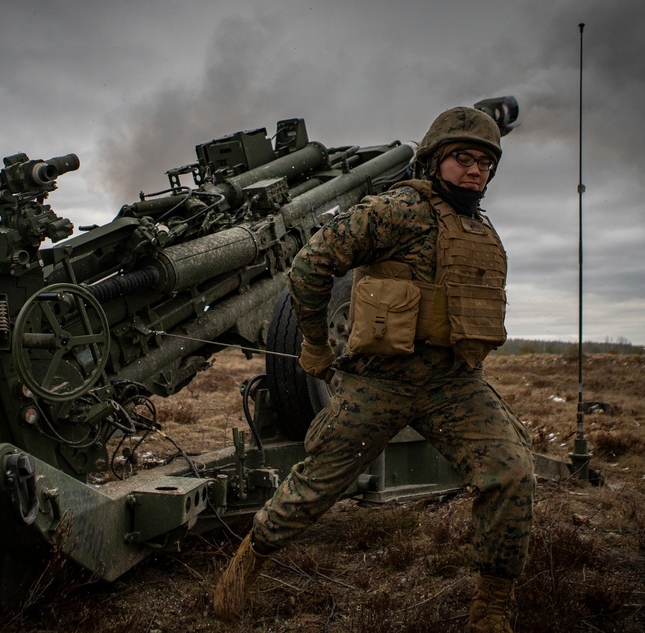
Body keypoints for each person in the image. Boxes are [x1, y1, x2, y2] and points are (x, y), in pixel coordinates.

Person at [214, 107, 535, 632]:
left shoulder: (479, 228)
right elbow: (311, 263)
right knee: (316, 485)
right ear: (434, 162)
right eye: (462, 159)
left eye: (485, 163)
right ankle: (248, 561)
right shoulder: (397, 210)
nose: (475, 171)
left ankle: (492, 606)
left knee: (513, 472)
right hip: (381, 382)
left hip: (453, 383)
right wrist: (315, 343)